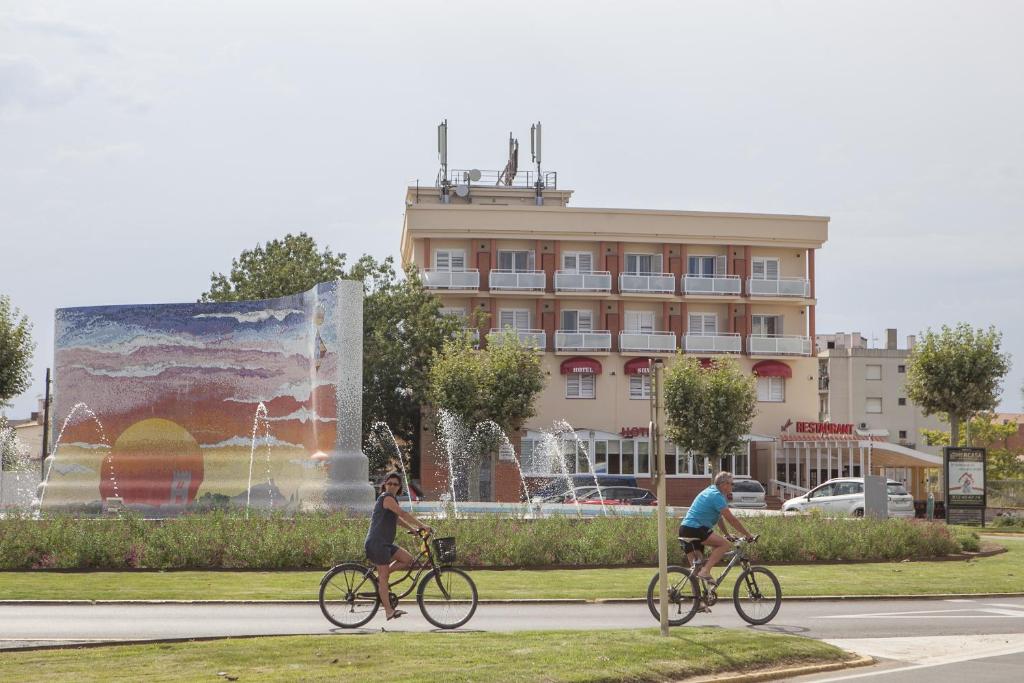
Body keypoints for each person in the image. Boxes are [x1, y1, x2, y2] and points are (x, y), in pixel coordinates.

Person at [365, 472, 431, 620]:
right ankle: (389, 611)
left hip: (385, 543)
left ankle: (382, 577)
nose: (392, 486)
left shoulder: (392, 500)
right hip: (377, 543)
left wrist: (413, 530)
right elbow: (402, 513)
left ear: (399, 487)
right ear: (385, 485)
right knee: (383, 578)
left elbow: (397, 520)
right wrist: (422, 525)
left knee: (408, 559)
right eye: (389, 483)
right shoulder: (386, 498)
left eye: (395, 484)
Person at [678, 470, 754, 587]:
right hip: (696, 529)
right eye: (731, 484)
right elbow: (731, 519)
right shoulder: (716, 496)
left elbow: (719, 518)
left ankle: (698, 604)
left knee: (696, 570)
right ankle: (706, 571)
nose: (732, 486)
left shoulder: (710, 491)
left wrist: (727, 534)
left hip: (685, 529)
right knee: (724, 545)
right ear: (724, 484)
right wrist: (748, 534)